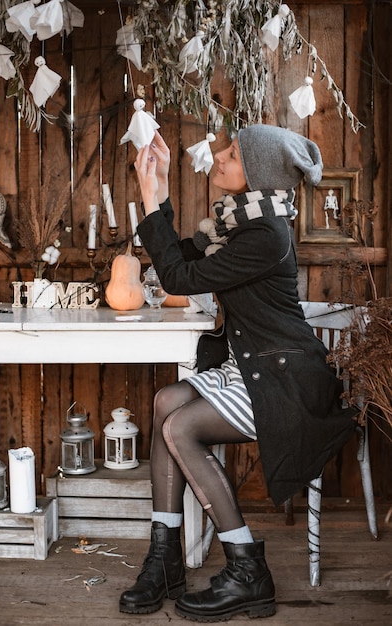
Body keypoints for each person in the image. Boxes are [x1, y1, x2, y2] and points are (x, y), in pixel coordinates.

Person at [119, 124, 357, 622]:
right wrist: (158, 191)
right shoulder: (239, 225)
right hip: (253, 367)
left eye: (232, 154)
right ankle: (165, 561)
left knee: (179, 426)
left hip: (285, 380)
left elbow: (178, 277)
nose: (220, 159)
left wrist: (147, 199)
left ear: (260, 173)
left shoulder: (264, 236)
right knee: (166, 401)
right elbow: (186, 260)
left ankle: (248, 568)